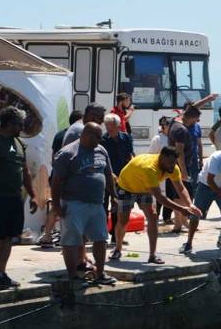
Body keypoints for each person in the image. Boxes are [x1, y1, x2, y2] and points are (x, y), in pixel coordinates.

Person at [0, 106, 38, 292]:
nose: (22, 127)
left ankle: (0, 274)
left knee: (8, 237)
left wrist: (33, 195)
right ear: (10, 123)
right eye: (20, 124)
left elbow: (25, 171)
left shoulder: (19, 143)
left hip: (13, 198)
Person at [51, 123, 117, 284]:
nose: (100, 140)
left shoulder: (101, 151)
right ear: (86, 134)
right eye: (98, 136)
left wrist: (114, 196)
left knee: (101, 238)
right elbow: (56, 181)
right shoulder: (67, 153)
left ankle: (100, 273)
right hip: (74, 203)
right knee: (72, 240)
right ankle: (73, 275)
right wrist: (56, 205)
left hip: (96, 203)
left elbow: (108, 175)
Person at [112, 147, 201, 263]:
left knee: (153, 217)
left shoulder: (173, 168)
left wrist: (190, 204)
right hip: (127, 186)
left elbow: (181, 188)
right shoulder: (150, 169)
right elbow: (160, 198)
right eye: (170, 163)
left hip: (145, 188)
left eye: (174, 162)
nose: (172, 166)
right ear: (161, 158)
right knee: (123, 220)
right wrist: (181, 209)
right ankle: (117, 249)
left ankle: (152, 255)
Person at [181, 143, 221, 257]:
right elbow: (210, 180)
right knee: (195, 214)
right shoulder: (217, 158)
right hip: (206, 186)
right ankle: (188, 243)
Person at [38, 109, 82, 248]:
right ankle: (68, 238)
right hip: (70, 177)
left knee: (56, 205)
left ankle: (47, 235)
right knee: (71, 207)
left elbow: (53, 158)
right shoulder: (79, 135)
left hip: (57, 175)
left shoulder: (59, 135)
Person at [101, 113, 134, 244]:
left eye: (111, 127)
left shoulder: (125, 138)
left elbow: (129, 156)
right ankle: (102, 235)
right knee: (103, 206)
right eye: (107, 126)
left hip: (122, 177)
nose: (109, 130)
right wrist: (110, 174)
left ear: (118, 126)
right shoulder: (103, 140)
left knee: (118, 206)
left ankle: (116, 236)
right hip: (106, 176)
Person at [168, 106, 201, 232]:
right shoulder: (181, 130)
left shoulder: (174, 122)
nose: (196, 122)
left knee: (178, 195)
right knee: (181, 195)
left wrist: (207, 100)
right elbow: (179, 152)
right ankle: (179, 223)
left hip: (173, 165)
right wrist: (184, 171)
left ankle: (181, 222)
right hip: (180, 167)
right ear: (191, 117)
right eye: (196, 119)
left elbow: (190, 109)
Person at [149, 116, 174, 223]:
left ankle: (167, 217)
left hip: (171, 171)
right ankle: (156, 215)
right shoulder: (157, 138)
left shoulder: (174, 138)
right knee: (159, 194)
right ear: (163, 127)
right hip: (160, 171)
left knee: (171, 194)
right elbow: (151, 154)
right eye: (167, 125)